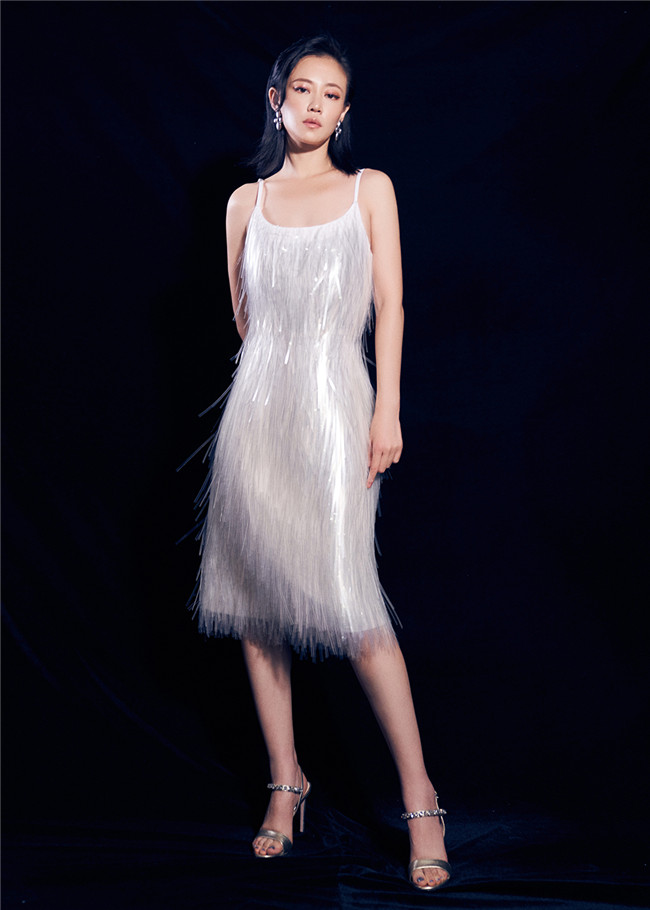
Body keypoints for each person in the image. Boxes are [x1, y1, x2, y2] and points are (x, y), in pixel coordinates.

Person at [191, 34, 451, 892]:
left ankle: (420, 800)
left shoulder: (370, 189)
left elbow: (392, 303)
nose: (314, 104)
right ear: (276, 100)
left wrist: (386, 408)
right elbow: (245, 318)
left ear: (344, 113)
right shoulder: (245, 202)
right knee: (254, 604)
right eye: (301, 89)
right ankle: (285, 781)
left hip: (340, 407)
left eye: (331, 94)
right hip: (258, 413)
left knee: (354, 607)